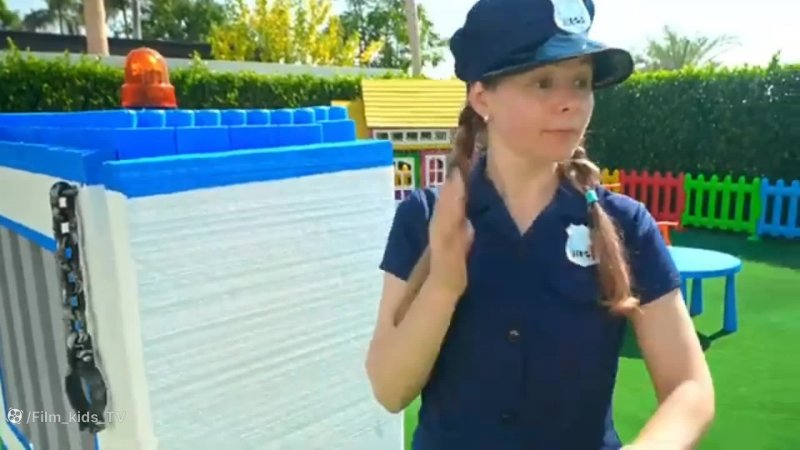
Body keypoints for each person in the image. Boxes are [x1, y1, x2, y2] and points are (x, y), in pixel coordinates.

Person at [365, 0, 715, 448]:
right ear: (482, 98)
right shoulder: (424, 216)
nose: (570, 103)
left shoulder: (626, 225)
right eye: (543, 82)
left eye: (581, 82)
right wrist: (444, 285)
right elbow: (389, 389)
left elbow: (690, 387)